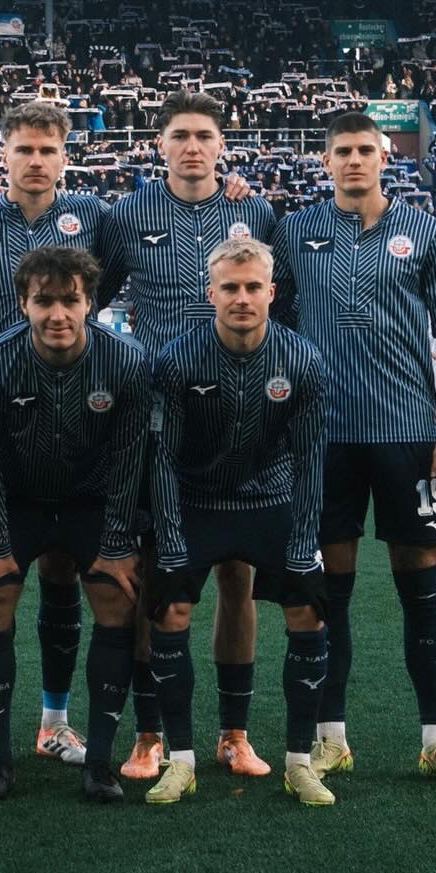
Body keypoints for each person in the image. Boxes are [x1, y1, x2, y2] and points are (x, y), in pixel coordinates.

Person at [273, 111, 436, 788]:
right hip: (324, 440)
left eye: (366, 149)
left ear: (384, 157)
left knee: (422, 588)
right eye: (343, 151)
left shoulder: (426, 233)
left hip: (409, 438)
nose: (355, 160)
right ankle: (331, 739)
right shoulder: (296, 231)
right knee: (329, 593)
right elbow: (272, 326)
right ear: (325, 161)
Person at [98, 91, 278, 784]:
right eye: (180, 135)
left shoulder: (254, 211)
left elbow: (271, 303)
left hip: (240, 420)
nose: (193, 146)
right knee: (155, 576)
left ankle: (234, 733)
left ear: (222, 143)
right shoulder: (127, 215)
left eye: (205, 134)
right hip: (157, 419)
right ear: (161, 144)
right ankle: (149, 735)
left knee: (239, 576)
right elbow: (96, 293)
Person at [142, 237, 333, 806]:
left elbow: (310, 461)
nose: (242, 298)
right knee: (171, 606)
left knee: (306, 606)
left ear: (271, 293)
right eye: (230, 287)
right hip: (198, 504)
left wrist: (303, 541)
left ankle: (298, 761)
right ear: (211, 293)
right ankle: (180, 760)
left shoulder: (302, 359)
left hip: (268, 500)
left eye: (253, 287)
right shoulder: (177, 360)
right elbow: (163, 459)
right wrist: (171, 537)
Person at [0, 246, 149, 804]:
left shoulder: (126, 362)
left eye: (70, 300)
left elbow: (129, 461)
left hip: (92, 502)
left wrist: (116, 545)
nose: (57, 314)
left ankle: (100, 763)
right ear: (23, 304)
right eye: (44, 301)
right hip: (17, 502)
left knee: (116, 600)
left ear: (91, 303)